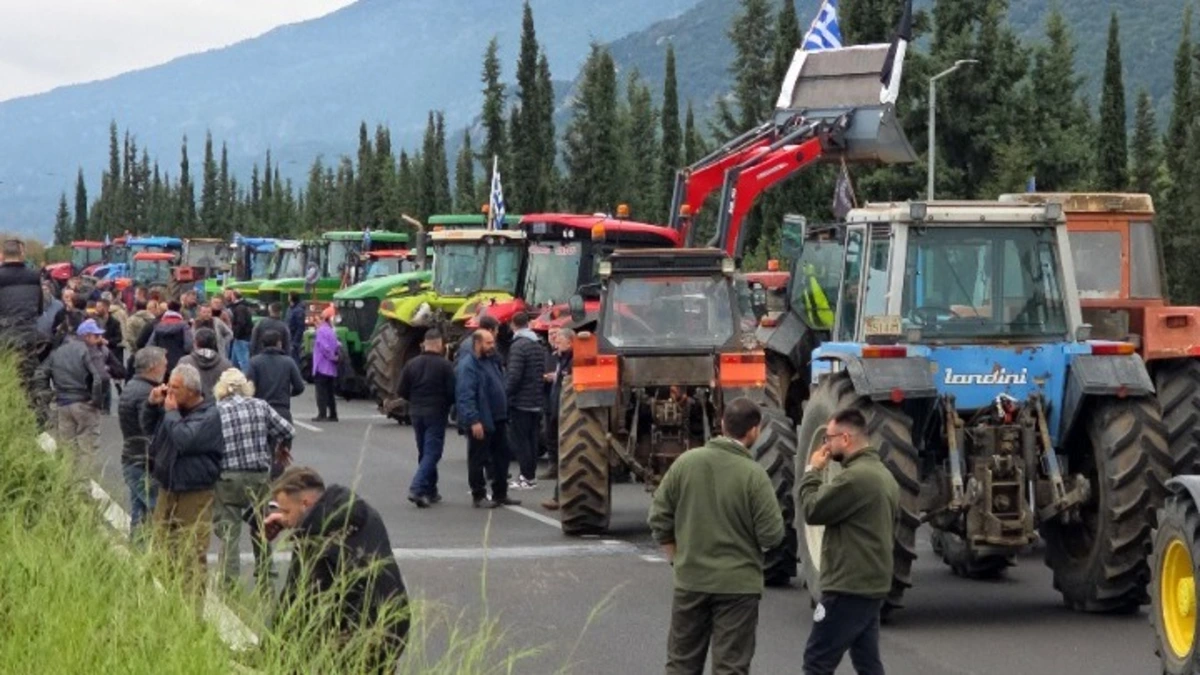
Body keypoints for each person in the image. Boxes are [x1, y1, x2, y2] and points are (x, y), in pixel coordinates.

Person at [648, 398, 784, 675]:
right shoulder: (754, 475)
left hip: (691, 580)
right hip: (738, 586)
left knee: (681, 663)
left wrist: (676, 556)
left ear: (722, 424)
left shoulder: (686, 463)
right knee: (731, 667)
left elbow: (658, 517)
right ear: (754, 431)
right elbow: (772, 534)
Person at [263, 467, 409, 672]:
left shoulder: (314, 539)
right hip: (395, 618)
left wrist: (271, 656)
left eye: (285, 511)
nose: (282, 517)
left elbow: (297, 606)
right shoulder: (361, 512)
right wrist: (292, 523)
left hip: (356, 633)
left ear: (305, 504)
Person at [798, 408, 899, 675]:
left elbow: (811, 510)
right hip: (872, 583)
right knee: (867, 663)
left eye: (828, 438)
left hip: (847, 586)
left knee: (817, 661)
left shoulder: (855, 478)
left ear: (845, 438)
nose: (826, 445)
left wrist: (812, 471)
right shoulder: (884, 476)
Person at [142, 363, 224, 598]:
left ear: (192, 390)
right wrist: (152, 405)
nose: (170, 392)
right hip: (168, 489)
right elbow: (148, 428)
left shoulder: (210, 415)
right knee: (161, 549)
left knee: (190, 555)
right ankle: (167, 605)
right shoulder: (173, 411)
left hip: (194, 492)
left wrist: (170, 413)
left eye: (175, 388)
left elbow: (185, 440)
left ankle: (192, 613)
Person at [213, 368, 294, 590]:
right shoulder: (260, 406)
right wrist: (281, 448)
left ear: (221, 389)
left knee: (230, 532)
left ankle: (228, 581)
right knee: (260, 523)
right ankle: (267, 569)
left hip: (228, 477)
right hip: (258, 476)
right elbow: (288, 429)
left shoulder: (216, 411)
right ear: (246, 386)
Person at [455, 328, 519, 508]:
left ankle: (500, 493)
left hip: (498, 419)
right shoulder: (468, 365)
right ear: (477, 344)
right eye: (488, 343)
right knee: (478, 459)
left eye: (493, 342)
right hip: (481, 420)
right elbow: (465, 395)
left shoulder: (492, 361)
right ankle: (479, 495)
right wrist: (474, 420)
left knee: (502, 457)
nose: (493, 346)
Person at [397, 330, 455, 508]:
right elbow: (452, 392)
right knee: (433, 452)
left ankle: (431, 490)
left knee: (424, 451)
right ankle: (417, 488)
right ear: (439, 345)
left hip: (416, 413)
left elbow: (402, 391)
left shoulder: (411, 364)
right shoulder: (445, 366)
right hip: (436, 413)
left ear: (424, 344)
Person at [35, 318, 111, 455]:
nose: (100, 339)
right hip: (84, 403)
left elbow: (40, 374)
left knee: (67, 449)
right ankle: (85, 476)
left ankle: (69, 476)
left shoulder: (57, 352)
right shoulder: (89, 351)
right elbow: (102, 378)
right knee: (87, 448)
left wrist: (47, 393)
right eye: (96, 336)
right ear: (86, 336)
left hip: (63, 404)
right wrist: (97, 401)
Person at [118, 346, 167, 539]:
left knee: (140, 513)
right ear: (153, 367)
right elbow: (149, 427)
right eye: (164, 364)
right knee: (157, 511)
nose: (166, 367)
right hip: (144, 461)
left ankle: (138, 557)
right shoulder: (146, 393)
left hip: (132, 457)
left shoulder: (132, 386)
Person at [0, 239, 45, 411]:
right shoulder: (34, 276)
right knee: (28, 384)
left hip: (4, 339)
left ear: (3, 256)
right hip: (28, 337)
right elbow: (40, 308)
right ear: (22, 254)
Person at [504, 312, 546, 489]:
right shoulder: (537, 344)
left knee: (521, 441)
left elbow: (514, 376)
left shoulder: (518, 346)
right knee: (532, 439)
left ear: (513, 325)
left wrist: (506, 395)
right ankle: (531, 476)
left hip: (521, 400)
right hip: (536, 398)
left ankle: (525, 477)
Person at [540, 327, 574, 511]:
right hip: (556, 411)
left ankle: (560, 496)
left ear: (571, 343)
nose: (556, 343)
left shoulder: (572, 362)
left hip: (565, 415)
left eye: (560, 341)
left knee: (567, 457)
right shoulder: (560, 359)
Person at [247, 329, 305, 423]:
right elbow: (299, 386)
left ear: (262, 344)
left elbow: (249, 388)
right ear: (279, 344)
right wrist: (288, 394)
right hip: (282, 410)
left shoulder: (254, 362)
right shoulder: (288, 362)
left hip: (261, 411)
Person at [176, 328, 233, 403]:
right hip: (219, 407)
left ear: (195, 343)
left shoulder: (184, 362)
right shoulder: (226, 364)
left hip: (192, 408)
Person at [145, 302, 193, 374]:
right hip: (179, 363)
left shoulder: (159, 325)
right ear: (179, 311)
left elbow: (150, 345)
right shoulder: (184, 326)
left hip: (161, 363)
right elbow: (188, 346)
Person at [311, 305, 340, 423]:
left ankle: (322, 414)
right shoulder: (331, 331)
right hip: (331, 367)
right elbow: (337, 345)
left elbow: (324, 347)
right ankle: (333, 414)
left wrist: (331, 356)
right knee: (330, 393)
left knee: (321, 392)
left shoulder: (321, 331)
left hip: (322, 366)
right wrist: (335, 358)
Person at [226, 289, 254, 370]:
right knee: (234, 361)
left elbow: (241, 323)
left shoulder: (239, 308)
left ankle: (247, 378)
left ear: (234, 296)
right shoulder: (244, 306)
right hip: (242, 337)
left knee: (243, 361)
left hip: (241, 338)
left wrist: (235, 334)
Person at [286, 293, 306, 362]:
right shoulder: (290, 309)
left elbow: (300, 327)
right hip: (289, 338)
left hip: (294, 340)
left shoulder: (298, 311)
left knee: (294, 358)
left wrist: (295, 342)